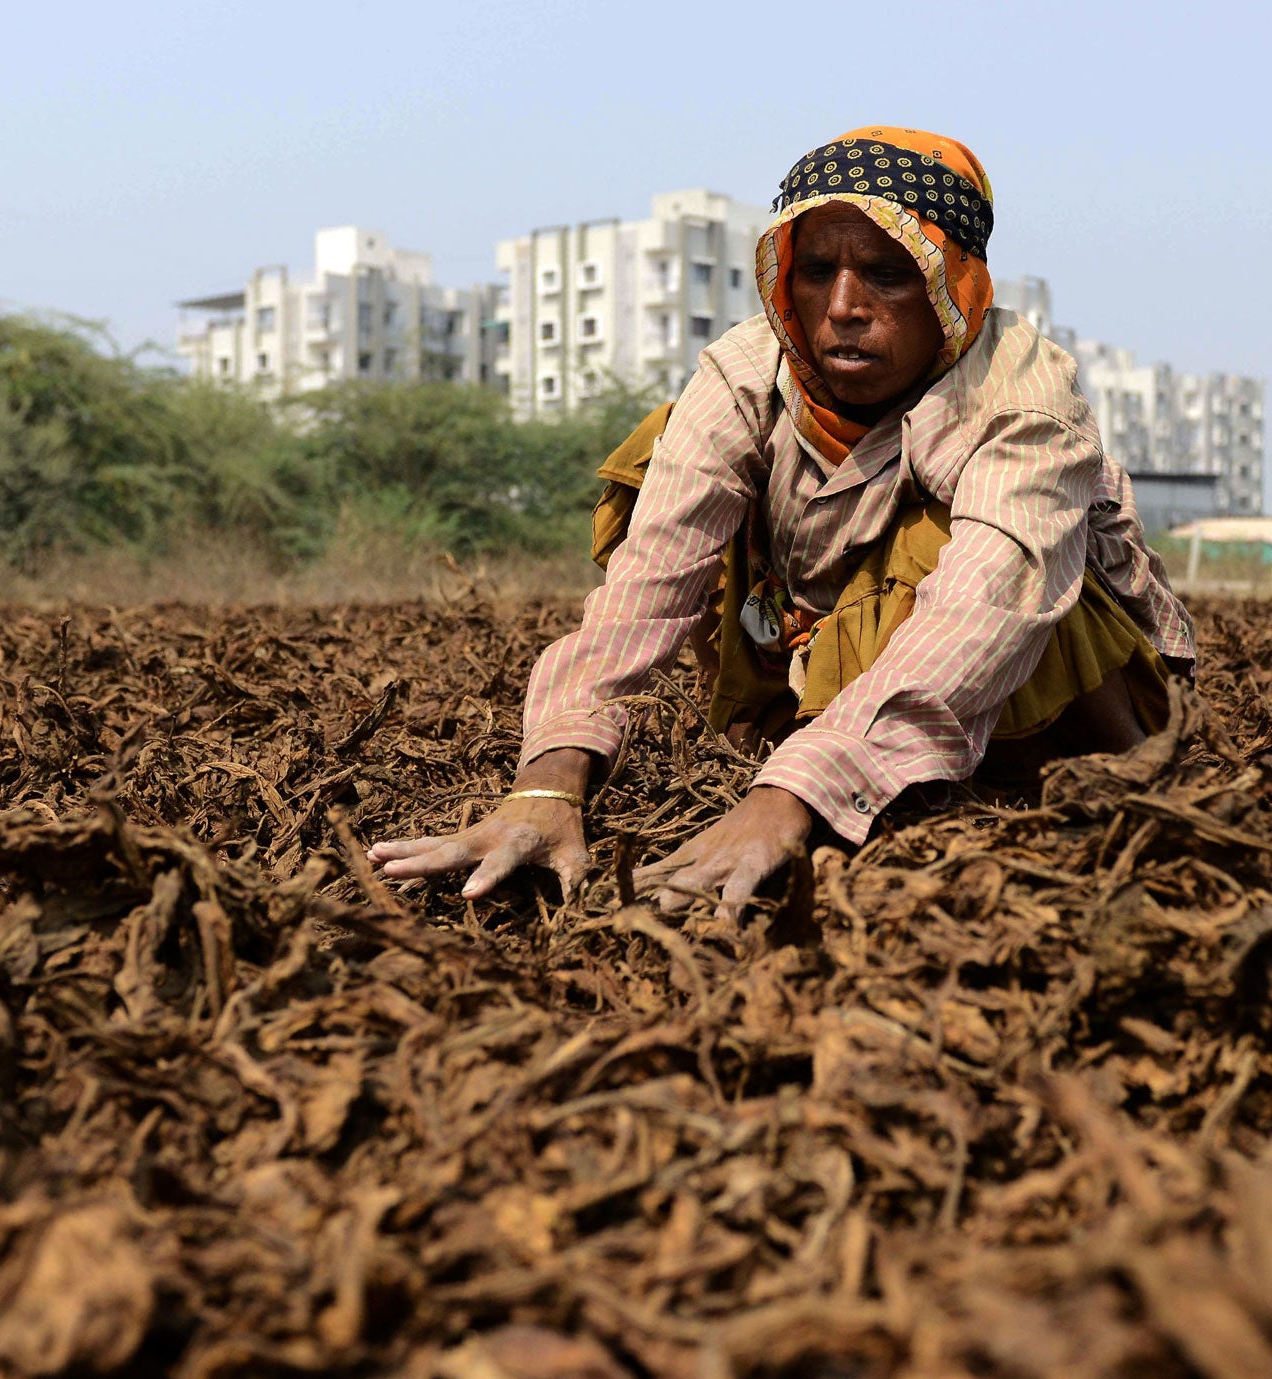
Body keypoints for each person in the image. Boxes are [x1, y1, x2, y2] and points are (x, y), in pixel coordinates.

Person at [370, 126, 1195, 917]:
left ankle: (1026, 777)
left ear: (955, 286)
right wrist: (547, 786)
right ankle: (816, 738)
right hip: (810, 643)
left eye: (888, 274)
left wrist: (790, 795)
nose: (842, 307)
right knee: (661, 453)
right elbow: (649, 587)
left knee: (939, 544)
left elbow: (981, 615)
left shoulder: (1021, 403)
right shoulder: (747, 371)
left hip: (1043, 688)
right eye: (816, 270)